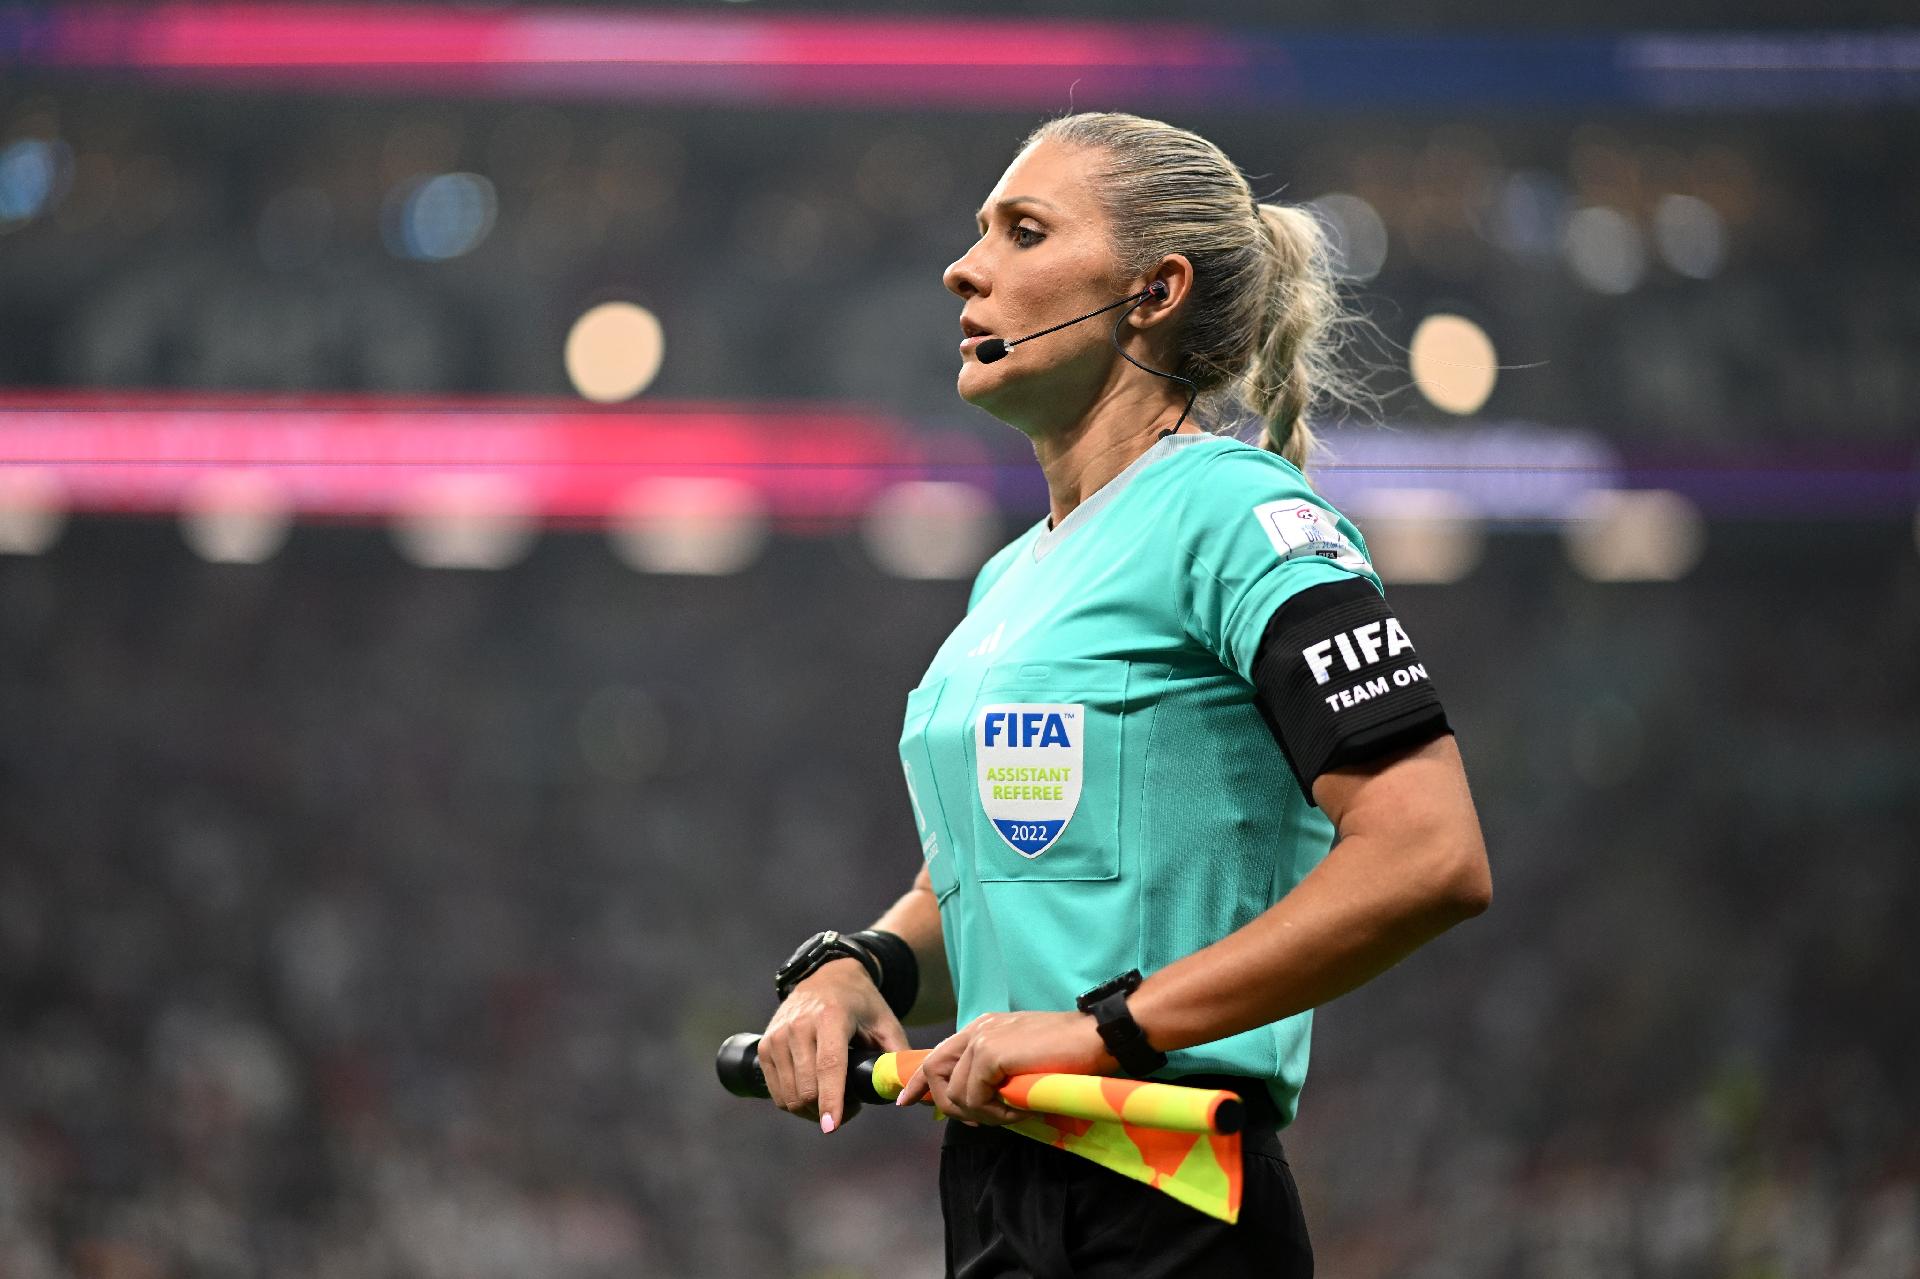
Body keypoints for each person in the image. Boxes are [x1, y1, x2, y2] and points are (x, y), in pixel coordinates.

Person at [757, 112, 1492, 1278]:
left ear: (1152, 291)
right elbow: (1006, 883)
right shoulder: (1015, 572)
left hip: (1168, 1186)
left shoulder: (1242, 517)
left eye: (1023, 230)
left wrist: (1105, 1032)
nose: (964, 264)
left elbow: (1430, 852)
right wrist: (864, 966)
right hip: (998, 1186)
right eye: (978, 231)